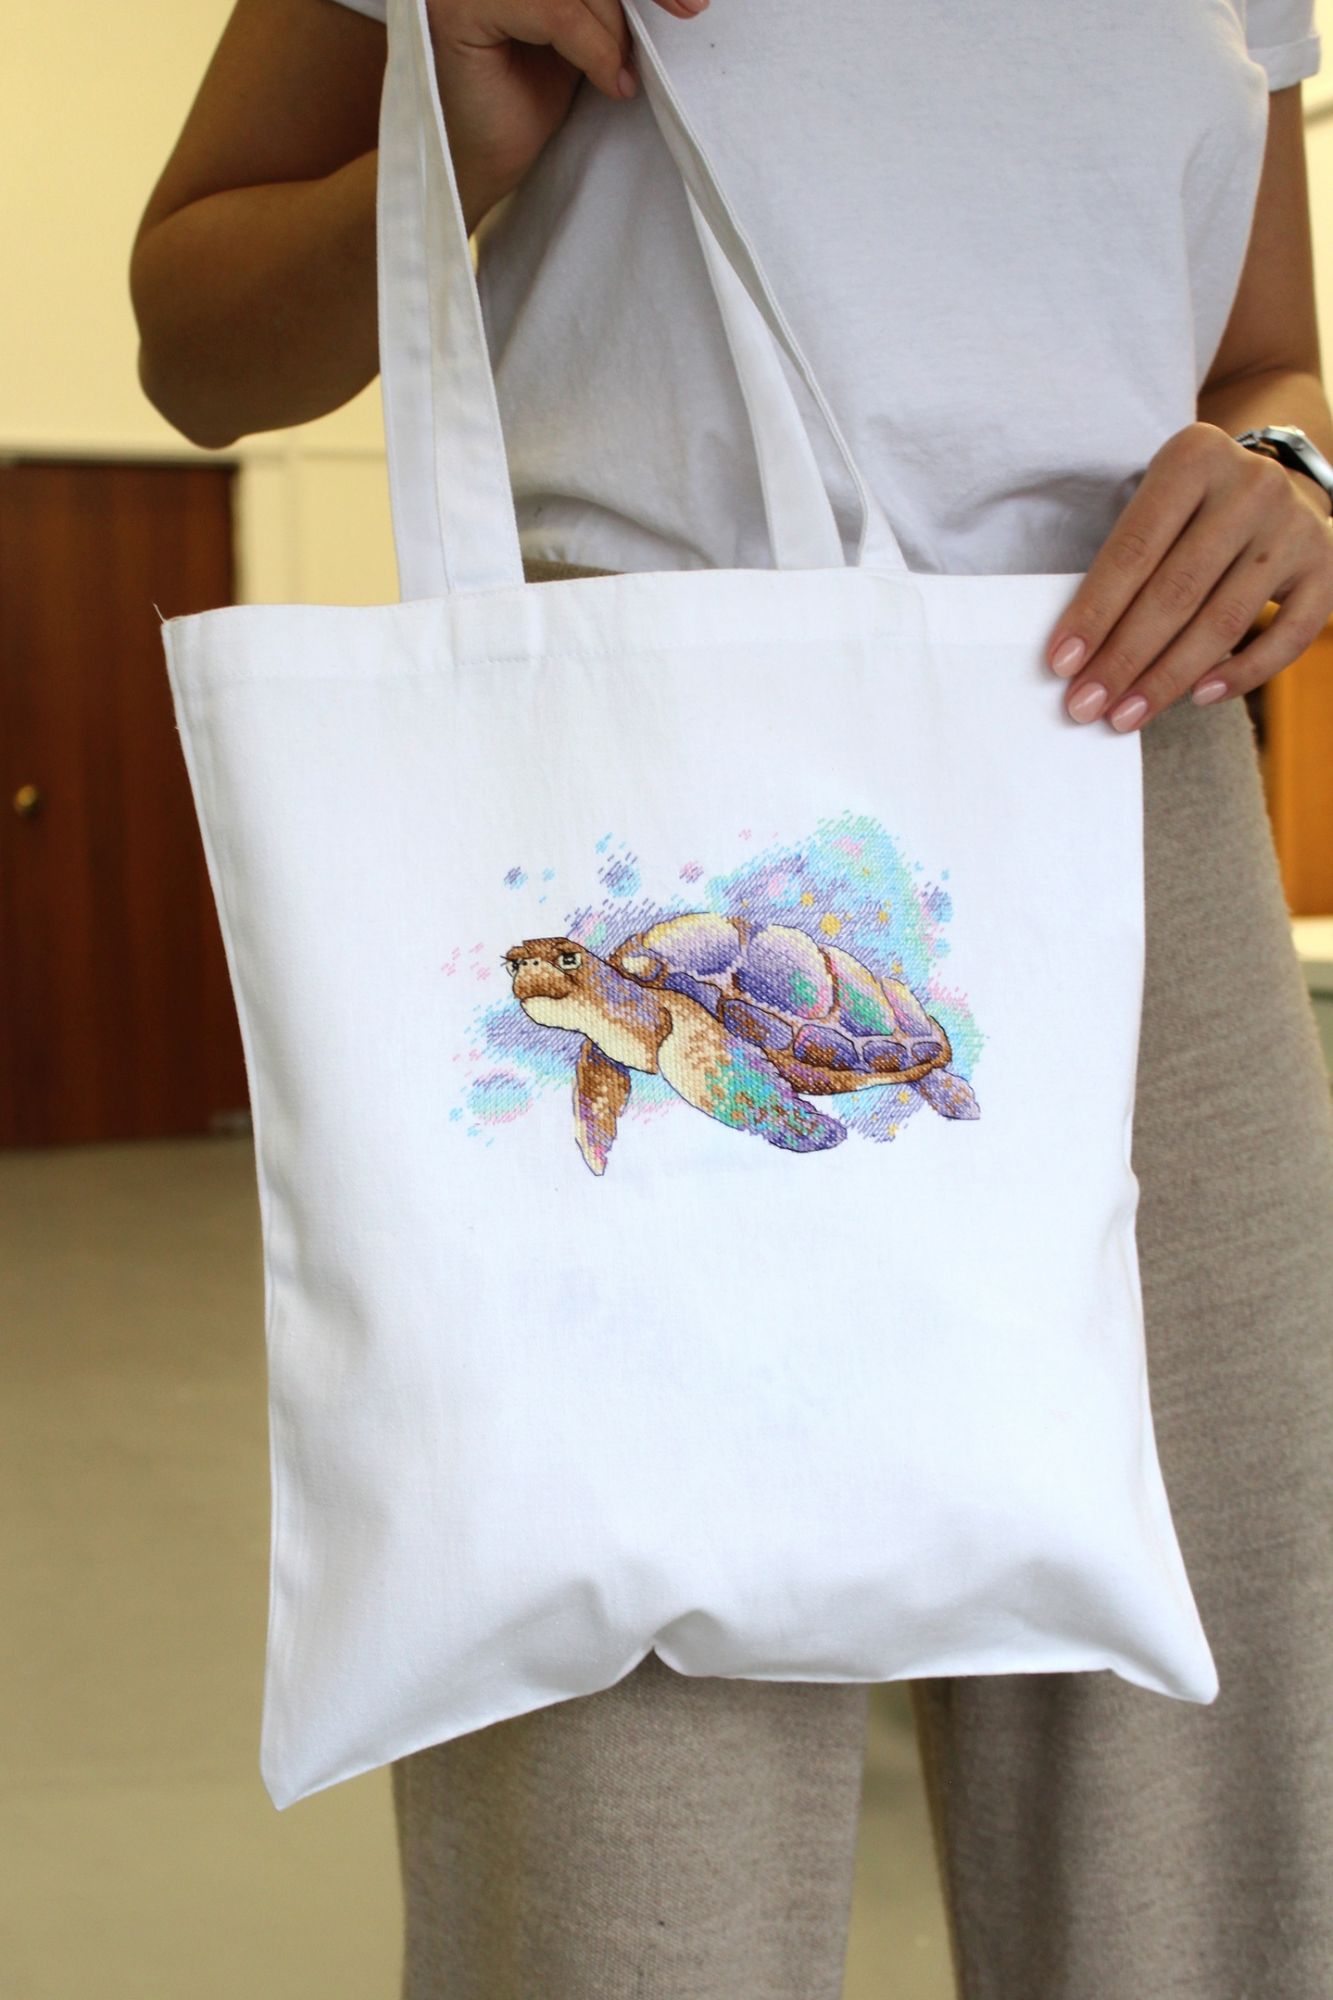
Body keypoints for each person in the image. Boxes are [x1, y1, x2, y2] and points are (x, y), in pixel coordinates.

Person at [131, 2, 1333, 1993]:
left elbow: (1264, 356)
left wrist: (1295, 462)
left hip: (1134, 767)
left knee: (1199, 1844)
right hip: (626, 761)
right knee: (625, 1873)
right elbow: (192, 343)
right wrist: (459, 127)